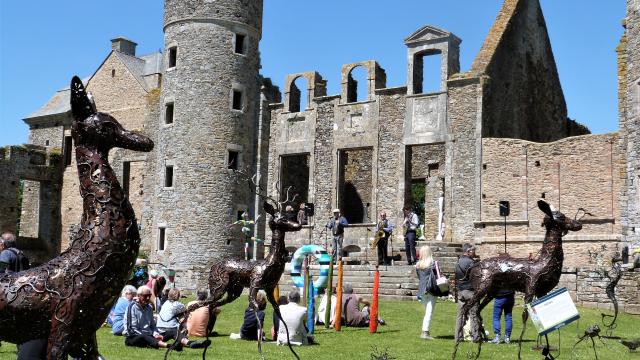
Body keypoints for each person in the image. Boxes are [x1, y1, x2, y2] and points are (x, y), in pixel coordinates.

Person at [123, 286, 209, 350]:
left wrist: (156, 334)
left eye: (149, 295)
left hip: (150, 336)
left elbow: (153, 326)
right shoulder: (132, 307)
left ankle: (190, 343)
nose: (148, 298)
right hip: (134, 337)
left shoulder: (149, 308)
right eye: (145, 296)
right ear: (139, 296)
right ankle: (170, 346)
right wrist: (150, 335)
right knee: (144, 336)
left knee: (173, 331)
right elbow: (131, 329)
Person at [455, 243, 480, 342]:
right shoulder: (471, 263)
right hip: (470, 291)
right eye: (473, 250)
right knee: (474, 314)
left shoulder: (458, 262)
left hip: (461, 291)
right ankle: (476, 337)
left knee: (460, 315)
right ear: (468, 251)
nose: (474, 252)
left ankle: (458, 337)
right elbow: (477, 276)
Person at [416, 245, 437, 340]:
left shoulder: (418, 265)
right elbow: (438, 276)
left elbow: (420, 278)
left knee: (427, 312)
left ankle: (425, 331)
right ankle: (425, 332)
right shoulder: (433, 263)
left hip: (422, 290)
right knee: (429, 312)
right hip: (431, 289)